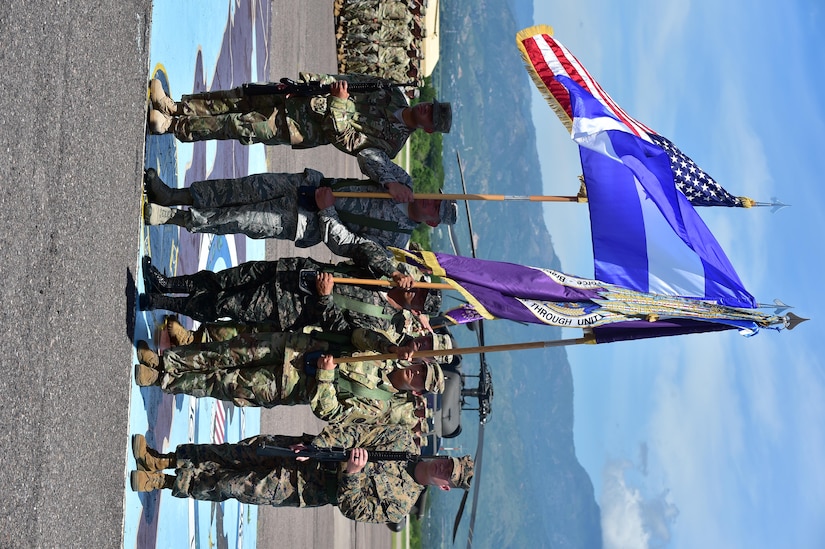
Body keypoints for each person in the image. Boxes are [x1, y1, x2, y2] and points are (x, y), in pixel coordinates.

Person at [129, 423, 474, 524]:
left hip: (299, 488)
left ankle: (163, 482)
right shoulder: (401, 440)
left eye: (450, 474)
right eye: (449, 461)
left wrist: (352, 474)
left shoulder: (400, 505)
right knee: (229, 452)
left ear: (445, 486)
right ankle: (164, 459)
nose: (444, 467)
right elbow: (356, 430)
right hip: (302, 452)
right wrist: (321, 444)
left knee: (230, 484)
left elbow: (354, 508)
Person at [147, 72, 451, 179]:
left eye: (431, 116)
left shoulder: (390, 145)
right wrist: (313, 85)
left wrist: (340, 103)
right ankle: (175, 107)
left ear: (427, 129)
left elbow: (345, 140)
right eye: (431, 107)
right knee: (237, 98)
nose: (426, 110)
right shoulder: (391, 92)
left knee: (235, 125)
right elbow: (346, 81)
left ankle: (173, 126)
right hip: (302, 98)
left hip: (297, 126)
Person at [142, 158, 458, 256]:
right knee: (236, 189)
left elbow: (351, 247)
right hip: (307, 185)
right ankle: (172, 196)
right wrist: (389, 181)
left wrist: (328, 212)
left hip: (304, 221)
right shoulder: (402, 181)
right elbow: (368, 155)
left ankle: (172, 217)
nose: (430, 201)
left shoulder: (397, 241)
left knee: (239, 219)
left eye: (435, 208)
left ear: (431, 222)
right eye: (436, 197)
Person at [133, 330, 451, 427]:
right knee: (224, 352)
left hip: (287, 385)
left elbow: (332, 413)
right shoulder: (384, 354)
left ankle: (161, 380)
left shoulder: (379, 406)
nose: (416, 373)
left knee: (221, 383)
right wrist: (389, 346)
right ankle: (164, 361)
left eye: (422, 379)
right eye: (422, 367)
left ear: (417, 392)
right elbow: (358, 334)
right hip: (292, 347)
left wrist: (326, 380)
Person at [137, 242, 441, 339]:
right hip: (292, 272)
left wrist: (325, 297)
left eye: (422, 299)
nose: (416, 293)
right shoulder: (384, 274)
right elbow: (363, 250)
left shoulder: (383, 321)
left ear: (417, 311)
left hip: (288, 307)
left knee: (222, 306)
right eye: (421, 289)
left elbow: (340, 329)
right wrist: (393, 272)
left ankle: (163, 302)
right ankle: (168, 283)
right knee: (224, 279)